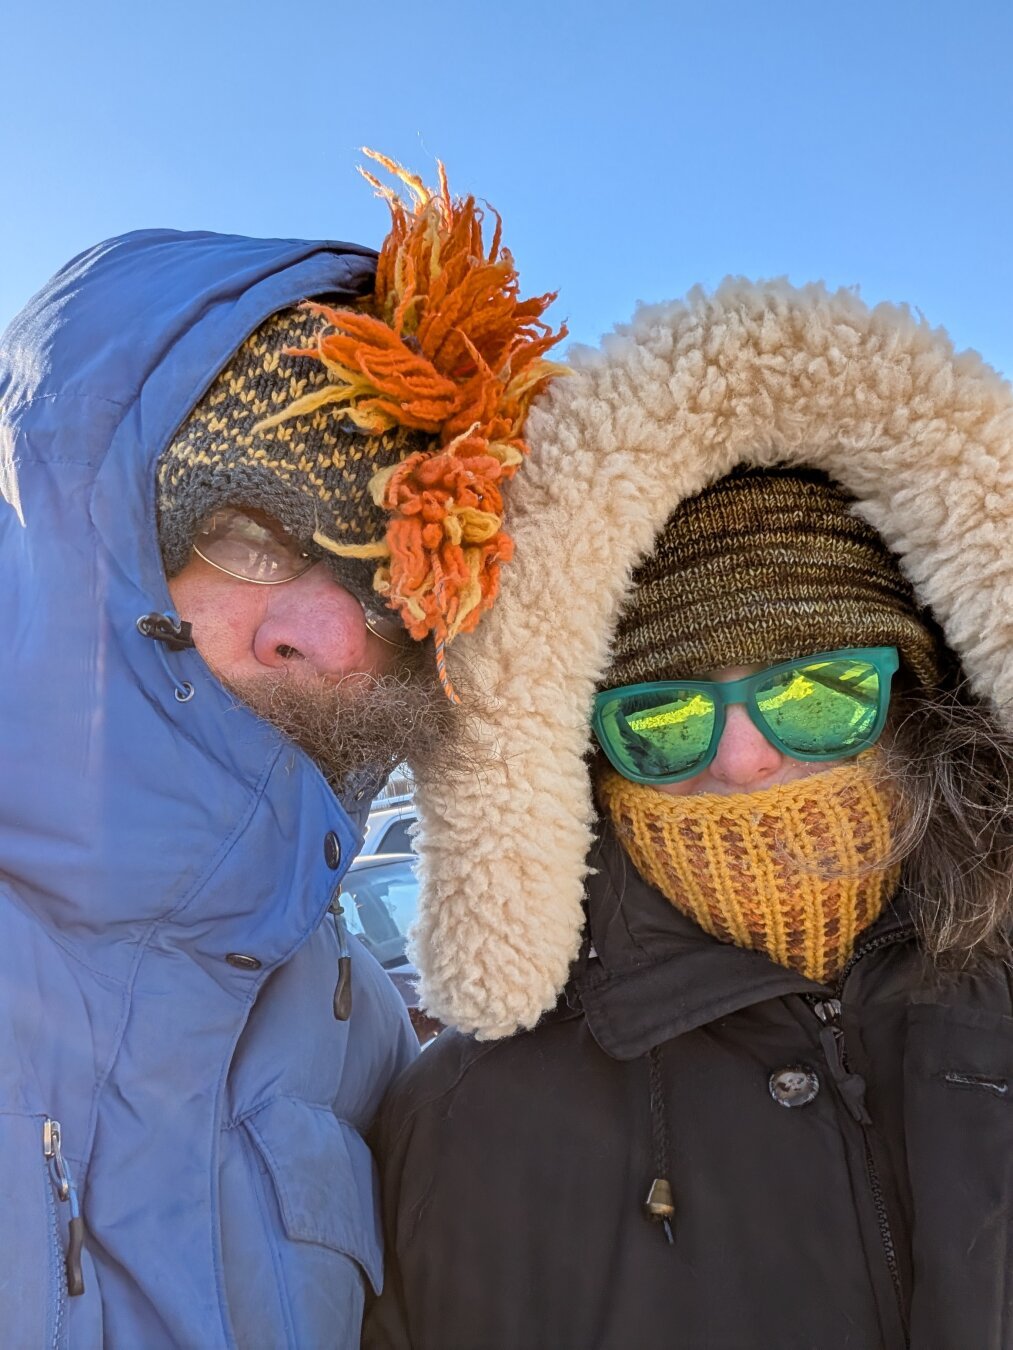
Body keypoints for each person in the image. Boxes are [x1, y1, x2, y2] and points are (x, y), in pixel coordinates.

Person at [365, 280, 1013, 1350]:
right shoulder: (466, 1126)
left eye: (816, 695)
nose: (744, 758)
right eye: (659, 717)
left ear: (914, 701)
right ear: (584, 754)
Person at [0, 153, 564, 1346]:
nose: (312, 630)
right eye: (249, 533)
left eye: (378, 587)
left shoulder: (356, 1030)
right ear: (93, 523)